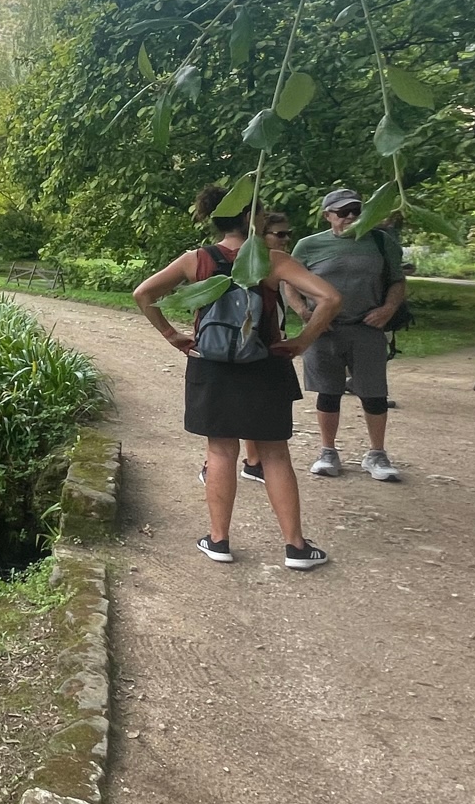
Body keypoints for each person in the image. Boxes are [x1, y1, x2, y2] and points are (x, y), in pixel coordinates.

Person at [135, 187, 342, 568]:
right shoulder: (272, 260)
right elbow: (330, 298)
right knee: (275, 455)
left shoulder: (195, 261)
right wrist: (301, 341)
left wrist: (173, 336)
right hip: (265, 364)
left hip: (210, 365)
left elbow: (143, 294)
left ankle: (219, 541)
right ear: (254, 218)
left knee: (220, 451)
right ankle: (295, 547)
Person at [292, 187, 407, 482]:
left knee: (374, 393)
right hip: (325, 330)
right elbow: (289, 283)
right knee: (328, 392)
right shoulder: (308, 246)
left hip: (366, 328)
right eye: (343, 212)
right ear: (327, 216)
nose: (351, 217)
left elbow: (397, 280)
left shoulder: (381, 242)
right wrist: (307, 314)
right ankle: (328, 451)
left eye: (357, 210)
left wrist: (389, 308)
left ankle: (377, 453)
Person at [236, 211, 301, 484]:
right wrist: (304, 341)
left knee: (248, 408)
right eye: (280, 234)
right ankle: (251, 461)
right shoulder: (260, 266)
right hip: (260, 352)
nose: (286, 240)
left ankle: (253, 461)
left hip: (259, 350)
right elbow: (331, 299)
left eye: (288, 233)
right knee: (254, 410)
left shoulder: (269, 265)